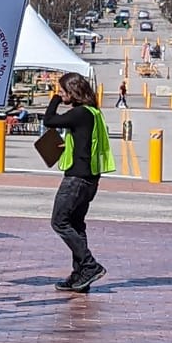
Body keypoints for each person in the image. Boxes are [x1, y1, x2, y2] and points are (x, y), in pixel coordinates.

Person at [42, 72, 111, 292]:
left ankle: (89, 265)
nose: (61, 96)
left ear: (73, 92)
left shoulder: (80, 113)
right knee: (76, 225)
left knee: (59, 222)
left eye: (63, 92)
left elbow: (49, 121)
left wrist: (53, 100)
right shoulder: (93, 112)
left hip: (77, 178)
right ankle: (80, 276)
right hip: (90, 177)